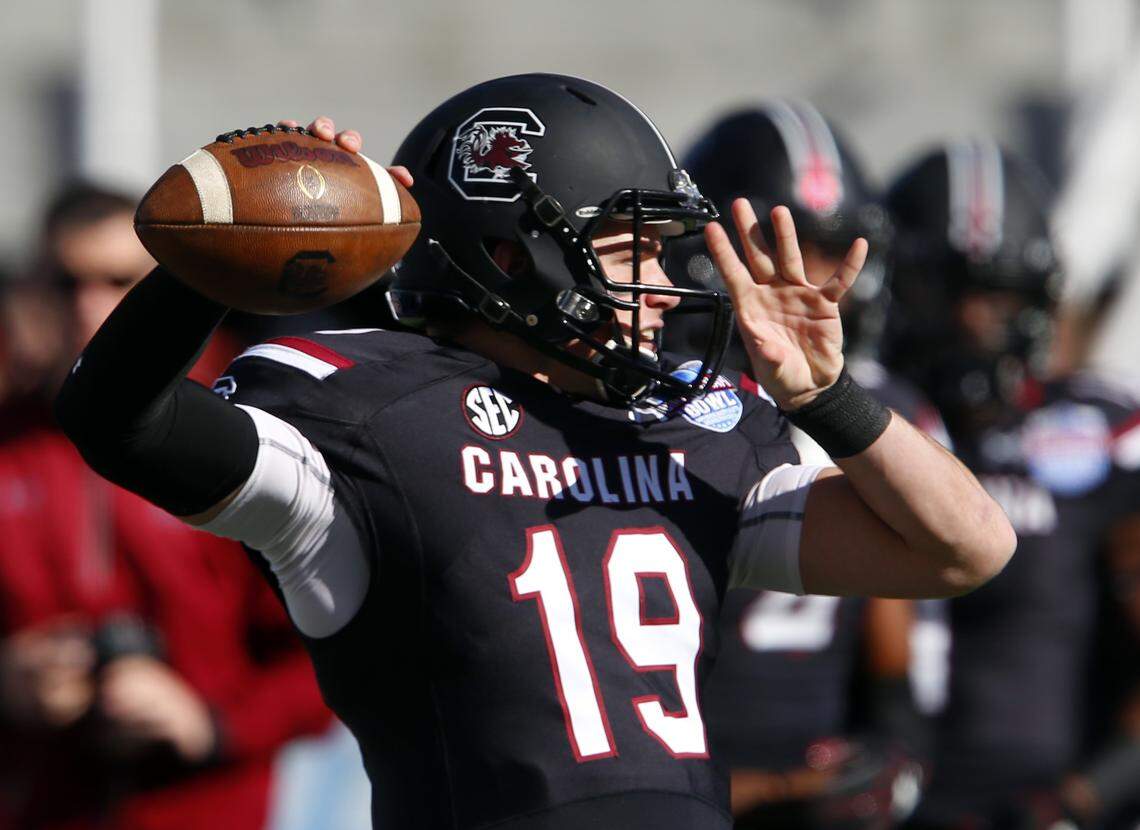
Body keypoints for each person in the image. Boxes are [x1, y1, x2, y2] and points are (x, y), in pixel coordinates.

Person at [55, 74, 1013, 830]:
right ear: (513, 258)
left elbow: (964, 548)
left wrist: (828, 400)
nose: (659, 283)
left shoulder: (691, 430)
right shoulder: (368, 415)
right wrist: (216, 258)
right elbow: (119, 421)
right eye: (629, 249)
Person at [0, 183, 331, 830]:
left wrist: (210, 723)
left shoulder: (248, 429)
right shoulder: (10, 441)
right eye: (67, 282)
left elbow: (335, 642)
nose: (89, 306)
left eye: (117, 280)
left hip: (208, 806)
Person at [664, 102, 945, 829]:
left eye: (829, 251)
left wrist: (890, 739)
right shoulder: (660, 395)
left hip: (813, 771)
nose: (811, 280)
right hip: (672, 751)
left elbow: (906, 582)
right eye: (786, 249)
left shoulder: (880, 407)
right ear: (710, 249)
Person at [883, 140, 1140, 829]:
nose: (972, 319)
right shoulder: (854, 424)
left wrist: (1082, 800)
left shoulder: (1101, 436)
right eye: (950, 291)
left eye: (997, 295)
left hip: (1042, 805)